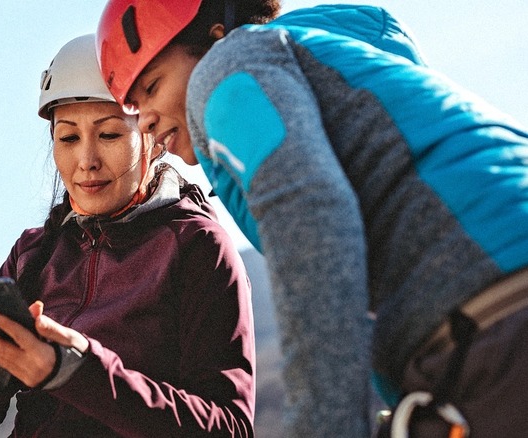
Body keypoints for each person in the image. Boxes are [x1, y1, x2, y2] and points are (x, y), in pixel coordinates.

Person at [96, 1, 528, 437]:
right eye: (132, 105)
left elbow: (314, 228)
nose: (144, 120)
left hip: (493, 317)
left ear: (214, 36)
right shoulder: (325, 58)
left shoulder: (225, 72)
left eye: (151, 87)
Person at [0, 33, 256, 437]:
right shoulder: (33, 252)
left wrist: (76, 367)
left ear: (153, 139)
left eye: (109, 135)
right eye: (68, 138)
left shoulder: (198, 246)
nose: (86, 161)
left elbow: (228, 427)